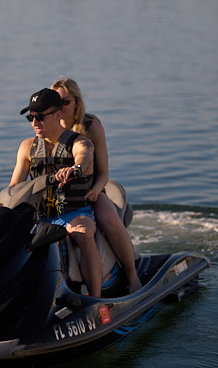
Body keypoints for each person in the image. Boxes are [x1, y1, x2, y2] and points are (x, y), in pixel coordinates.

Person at [0, 88, 103, 297]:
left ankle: (95, 299)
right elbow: (15, 187)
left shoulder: (79, 143)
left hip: (74, 214)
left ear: (59, 114)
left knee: (83, 234)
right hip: (40, 218)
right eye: (31, 117)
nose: (34, 122)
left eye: (40, 117)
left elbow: (84, 157)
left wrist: (75, 168)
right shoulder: (27, 147)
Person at [51, 78, 142, 294]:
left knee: (109, 220)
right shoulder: (48, 128)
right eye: (56, 103)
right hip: (61, 196)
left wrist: (94, 190)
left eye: (65, 102)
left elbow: (103, 173)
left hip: (92, 190)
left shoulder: (91, 127)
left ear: (76, 102)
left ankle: (132, 275)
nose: (60, 107)